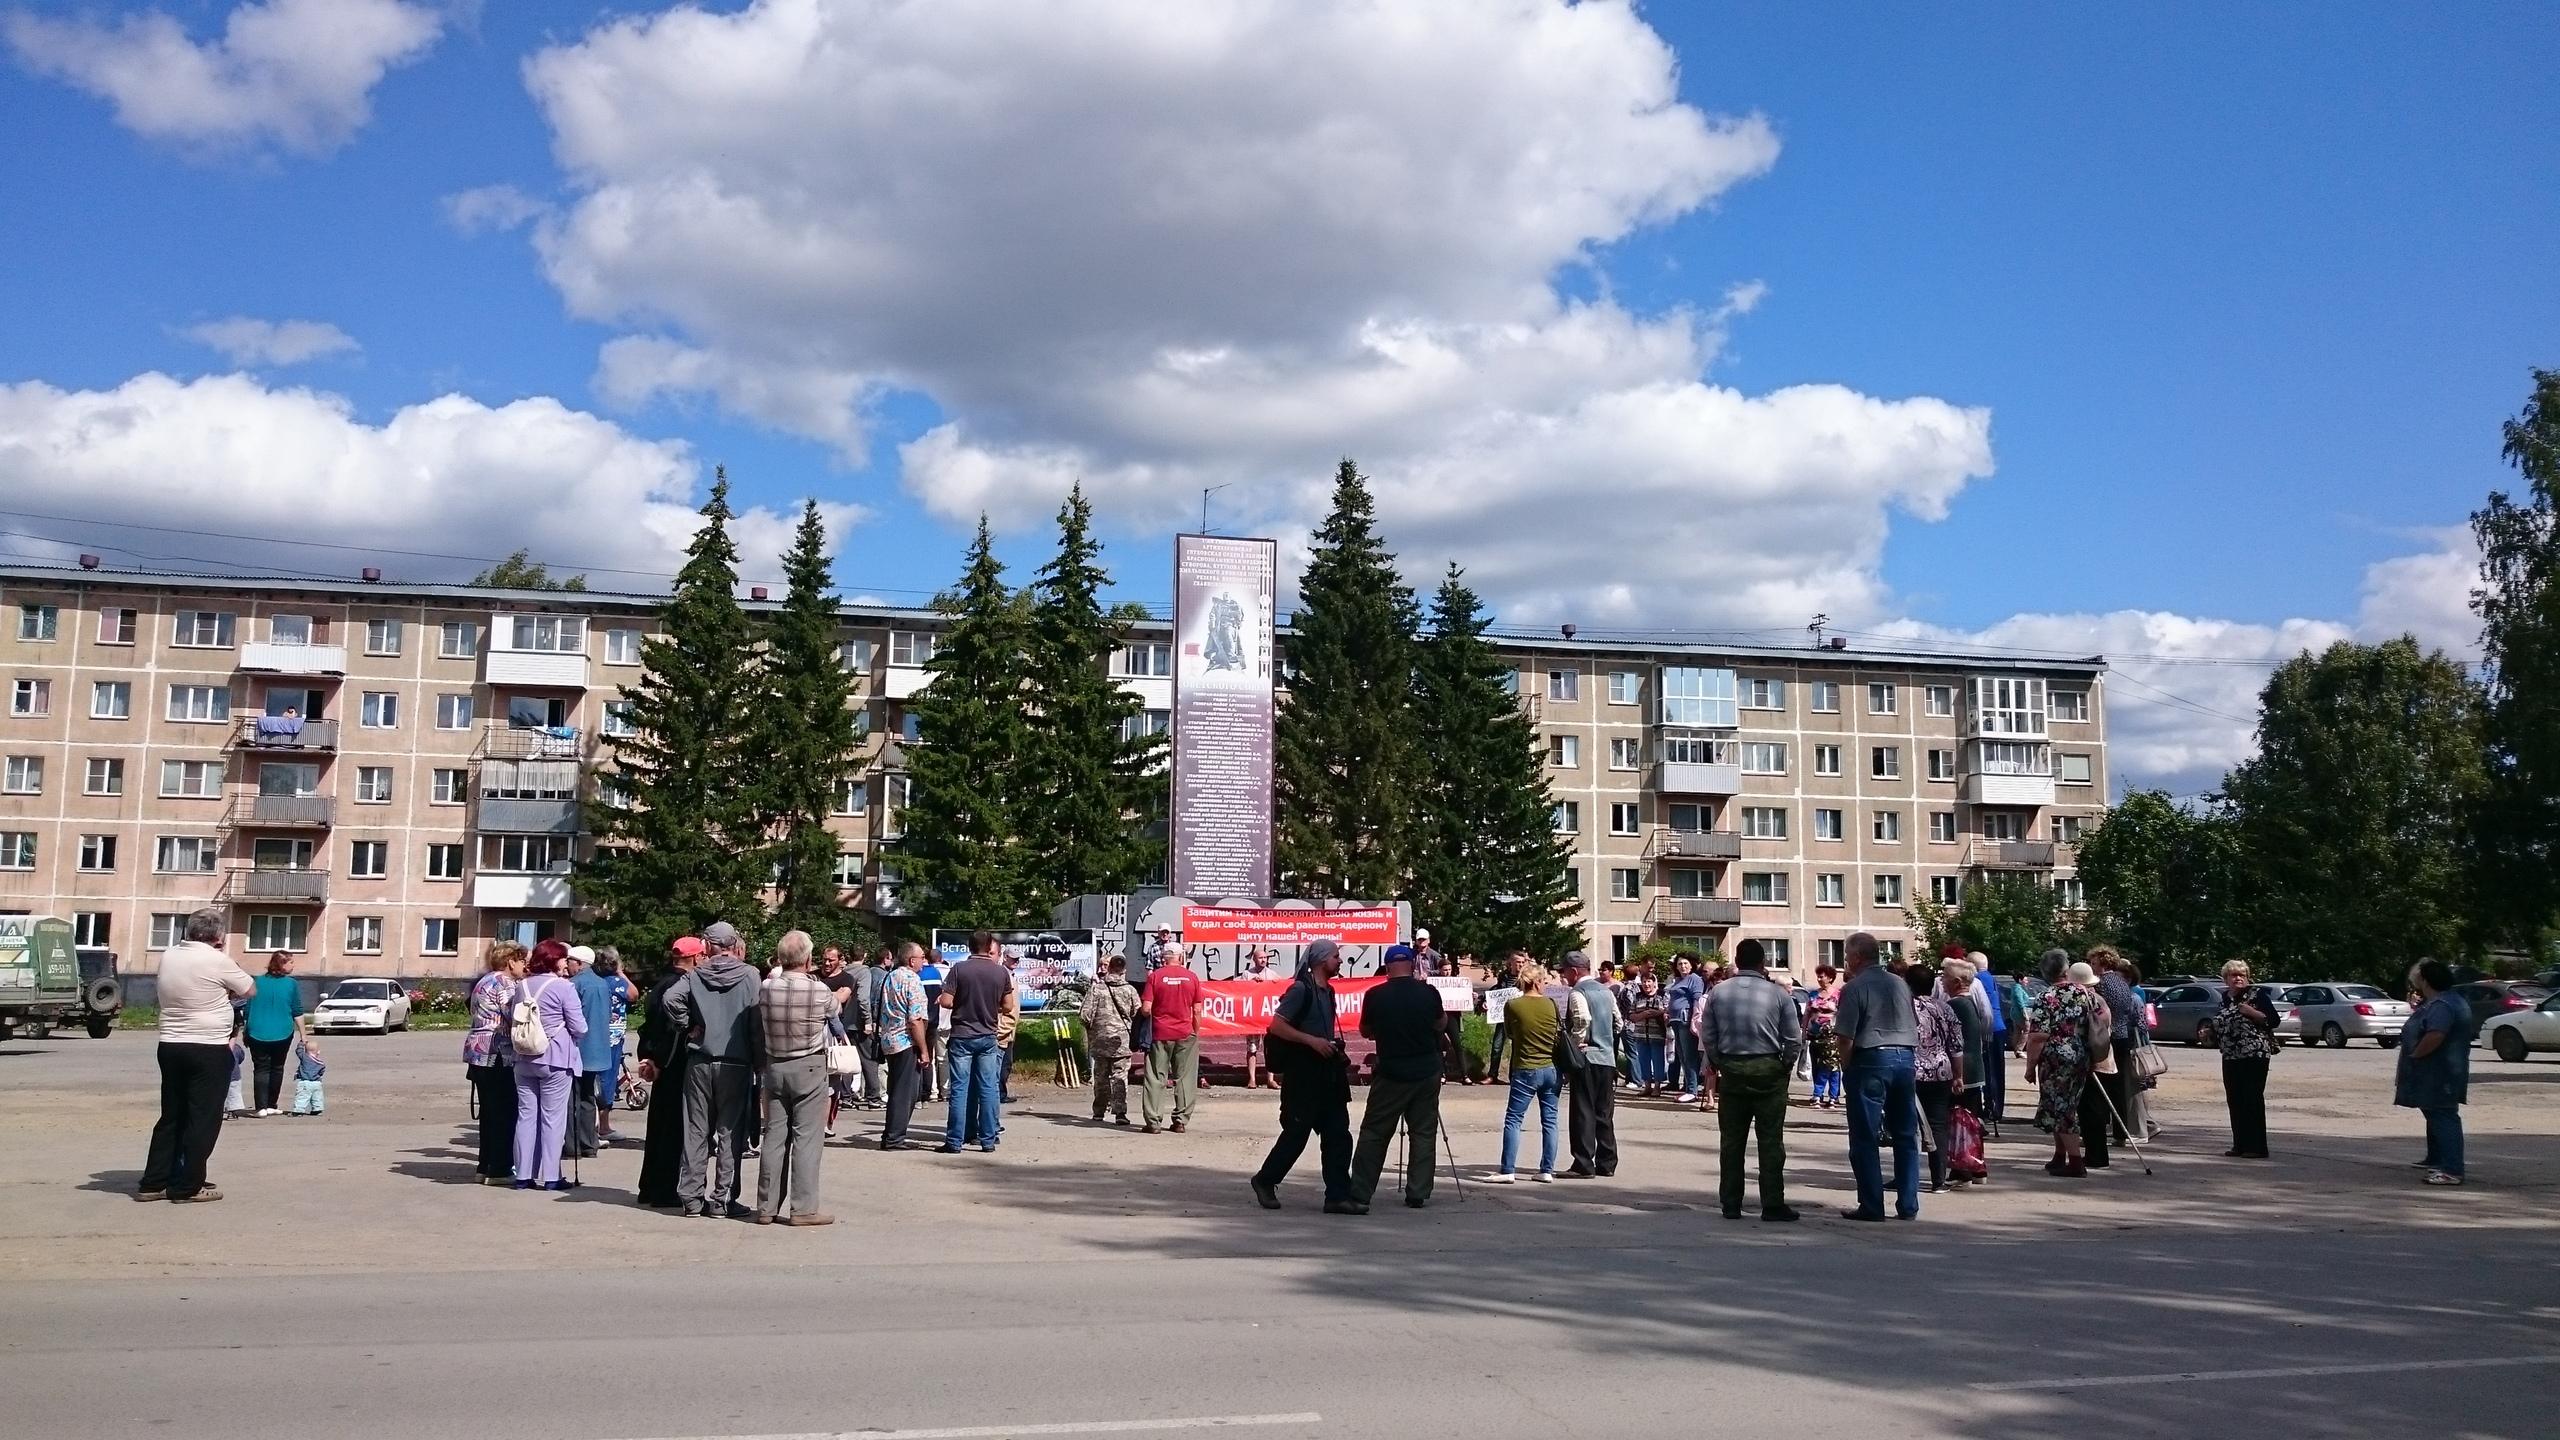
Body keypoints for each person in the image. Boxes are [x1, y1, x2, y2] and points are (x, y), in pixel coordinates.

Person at [139, 908, 255, 1204]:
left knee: (172, 1114)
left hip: (171, 1044)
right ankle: (188, 1185)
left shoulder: (170, 955)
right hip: (207, 1047)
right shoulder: (217, 960)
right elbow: (249, 989)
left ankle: (154, 1181)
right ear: (218, 935)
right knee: (203, 1118)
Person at [1251, 935, 1358, 1213]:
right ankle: (1265, 1180)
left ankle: (1337, 1196)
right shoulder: (1301, 990)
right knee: (1296, 1134)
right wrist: (1312, 1042)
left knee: (1338, 1135)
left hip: (1329, 1074)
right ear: (1323, 961)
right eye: (1336, 956)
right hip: (1304, 1074)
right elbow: (1277, 1026)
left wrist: (1331, 1045)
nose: (1339, 961)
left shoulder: (1329, 991)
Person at [662, 921, 762, 1217]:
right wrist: (760, 1061)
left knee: (695, 1129)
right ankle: (723, 1200)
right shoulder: (750, 975)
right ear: (734, 945)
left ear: (707, 946)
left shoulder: (696, 974)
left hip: (700, 1060)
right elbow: (756, 1023)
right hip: (736, 1060)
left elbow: (671, 999)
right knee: (730, 1131)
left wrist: (688, 1026)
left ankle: (691, 1198)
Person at [1699, 938, 1801, 1221]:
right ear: (1762, 962)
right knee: (1770, 1140)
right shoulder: (1778, 994)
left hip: (1732, 1069)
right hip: (1769, 1068)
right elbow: (1793, 1038)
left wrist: (1720, 1061)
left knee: (1732, 1141)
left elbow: (1708, 1034)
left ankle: (1731, 1203)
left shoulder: (1719, 992)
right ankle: (1772, 1204)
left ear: (1737, 960)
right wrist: (1785, 1065)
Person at [1349, 944, 1446, 1209]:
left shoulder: (1375, 995)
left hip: (1392, 1071)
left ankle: (1360, 1192)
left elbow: (1365, 1030)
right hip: (1426, 1070)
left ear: (1388, 966)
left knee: (1375, 1132)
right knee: (1424, 1133)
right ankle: (1418, 1191)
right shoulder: (1428, 992)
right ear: (1413, 964)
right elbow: (1441, 1024)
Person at [1832, 932, 1920, 1221]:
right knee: (1906, 1135)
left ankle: (1872, 1205)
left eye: (1846, 955)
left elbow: (1845, 1035)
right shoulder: (1900, 984)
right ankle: (1908, 1204)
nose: (1846, 960)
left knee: (1865, 1135)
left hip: (1871, 1058)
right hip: (1905, 1057)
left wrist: (1846, 1069)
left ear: (1857, 957)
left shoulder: (1855, 988)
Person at [753, 930, 835, 1225]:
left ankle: (766, 1207)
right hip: (809, 1066)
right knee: (807, 1139)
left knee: (774, 1137)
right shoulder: (819, 990)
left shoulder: (766, 988)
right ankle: (803, 1209)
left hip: (775, 1067)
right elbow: (834, 1009)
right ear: (809, 959)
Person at [509, 940, 588, 1192]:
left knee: (526, 1116)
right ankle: (551, 1176)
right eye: (564, 958)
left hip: (524, 1057)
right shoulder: (564, 987)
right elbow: (579, 1027)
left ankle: (523, 1174)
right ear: (555, 960)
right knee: (553, 1118)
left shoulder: (522, 986)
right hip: (555, 1056)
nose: (566, 962)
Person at [2021, 950, 2107, 1179]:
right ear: (2066, 969)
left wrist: (2030, 1067)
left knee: (2061, 1108)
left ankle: (2076, 1161)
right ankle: (2060, 1155)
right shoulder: (2084, 992)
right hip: (2081, 1055)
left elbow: (2038, 1036)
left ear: (2045, 972)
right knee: (2061, 1105)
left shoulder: (2046, 997)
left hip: (2056, 1058)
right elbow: (2102, 1018)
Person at [634, 937, 703, 1207]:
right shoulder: (680, 986)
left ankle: (649, 1186)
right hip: (672, 1065)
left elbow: (646, 1027)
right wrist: (661, 1063)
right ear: (696, 958)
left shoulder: (661, 982)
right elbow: (673, 1032)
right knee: (672, 1129)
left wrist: (647, 1057)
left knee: (657, 1127)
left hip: (657, 1059)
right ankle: (663, 1189)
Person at [2397, 959, 2474, 1186]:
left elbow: (2436, 1034)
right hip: (2441, 1070)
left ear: (2426, 981)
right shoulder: (2448, 1001)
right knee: (2436, 1114)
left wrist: (2416, 1054)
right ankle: (2439, 1160)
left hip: (2439, 1072)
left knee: (2443, 1115)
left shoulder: (2442, 1005)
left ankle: (2451, 1169)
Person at [939, 931, 1013, 1154]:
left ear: (969, 947)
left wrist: (964, 1002)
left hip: (962, 1034)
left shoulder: (959, 969)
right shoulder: (1000, 972)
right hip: (988, 1035)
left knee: (960, 1089)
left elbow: (946, 1001)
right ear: (988, 946)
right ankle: (988, 1140)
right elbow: (1008, 1006)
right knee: (989, 1088)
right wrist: (991, 1006)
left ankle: (954, 1142)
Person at [464, 942, 527, 1186]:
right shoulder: (505, 983)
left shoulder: (484, 981)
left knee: (489, 1112)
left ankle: (485, 1165)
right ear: (511, 961)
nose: (524, 966)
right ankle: (500, 1168)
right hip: (498, 1052)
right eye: (522, 961)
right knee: (505, 1110)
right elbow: (515, 1015)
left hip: (478, 1051)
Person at [2211, 959, 2280, 1159]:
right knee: (2235, 1099)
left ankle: (2257, 1147)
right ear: (2226, 979)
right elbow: (2223, 1022)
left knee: (2252, 1099)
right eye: (2234, 975)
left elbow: (2273, 1021)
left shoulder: (2257, 995)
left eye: (2242, 975)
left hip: (2255, 1054)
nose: (2238, 978)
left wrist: (2253, 1013)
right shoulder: (2225, 998)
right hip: (2231, 1055)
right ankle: (2239, 1144)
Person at [1558, 952, 1619, 1179]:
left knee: (1583, 1111)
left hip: (1588, 1058)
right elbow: (1618, 1020)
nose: (1563, 976)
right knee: (1604, 1112)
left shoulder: (1578, 992)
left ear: (1574, 971)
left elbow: (1582, 1019)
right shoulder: (1606, 991)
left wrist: (1576, 1043)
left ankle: (1583, 1163)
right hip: (1607, 1058)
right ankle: (1607, 1162)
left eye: (1564, 971)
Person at [1908, 964, 1967, 1194]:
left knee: (1907, 1125)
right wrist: (1958, 1075)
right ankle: (1939, 1180)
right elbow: (1957, 1046)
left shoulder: (1905, 1007)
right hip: (1941, 1071)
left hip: (1912, 1071)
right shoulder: (1945, 1008)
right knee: (1938, 1125)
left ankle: (1907, 1177)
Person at [1139, 941, 1204, 1134]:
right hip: (1185, 1032)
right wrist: (1195, 1031)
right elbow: (1198, 1009)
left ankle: (1153, 1122)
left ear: (1162, 958)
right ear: (1181, 957)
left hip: (1159, 1033)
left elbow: (1146, 1008)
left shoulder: (1155, 977)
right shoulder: (1192, 977)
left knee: (1155, 1077)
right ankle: (1180, 1121)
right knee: (1185, 1078)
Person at [1939, 958, 1991, 1187]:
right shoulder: (1969, 1002)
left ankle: (1963, 1170)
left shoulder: (1956, 1004)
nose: (1942, 981)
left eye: (1945, 977)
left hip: (1963, 1070)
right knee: (1971, 1119)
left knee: (1959, 1120)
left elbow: (1952, 1042)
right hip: (1974, 1067)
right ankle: (1977, 1169)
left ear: (1957, 981)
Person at [876, 942, 932, 1150]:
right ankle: (894, 1137)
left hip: (890, 1040)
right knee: (905, 1092)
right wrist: (924, 1049)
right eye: (921, 957)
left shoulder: (890, 977)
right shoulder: (912, 980)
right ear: (912, 960)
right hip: (906, 1041)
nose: (924, 962)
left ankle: (891, 1134)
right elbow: (915, 1019)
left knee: (896, 1088)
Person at [2087, 945, 2140, 1158]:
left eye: (2093, 963)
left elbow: (2096, 1011)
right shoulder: (2122, 982)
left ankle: (2097, 1130)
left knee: (2101, 1087)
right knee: (2119, 1087)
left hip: (2107, 1038)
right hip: (2123, 1036)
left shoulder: (2101, 984)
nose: (2091, 967)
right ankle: (2121, 1132)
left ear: (2102, 963)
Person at [243, 952, 312, 1117]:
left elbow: (247, 1009)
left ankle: (261, 1108)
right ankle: (271, 1105)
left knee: (260, 1069)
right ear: (281, 964)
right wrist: (303, 1034)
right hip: (282, 1031)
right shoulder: (291, 984)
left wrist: (246, 1030)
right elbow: (297, 1010)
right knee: (277, 1067)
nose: (293, 966)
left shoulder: (257, 981)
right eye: (290, 963)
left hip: (257, 1030)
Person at [1079, 955, 1140, 1124]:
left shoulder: (1097, 989)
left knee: (1101, 1077)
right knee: (1120, 1077)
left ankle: (1099, 1112)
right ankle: (1120, 1113)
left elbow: (1084, 1015)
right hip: (1121, 1041)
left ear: (1109, 968)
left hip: (1100, 1041)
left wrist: (1094, 1029)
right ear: (1124, 970)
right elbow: (1138, 1014)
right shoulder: (1130, 990)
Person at [568, 945, 613, 1159]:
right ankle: (589, 1144)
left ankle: (571, 1145)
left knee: (571, 1099)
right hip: (599, 1050)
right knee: (588, 1098)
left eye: (569, 961)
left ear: (579, 963)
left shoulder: (573, 984)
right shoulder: (602, 983)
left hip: (578, 1049)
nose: (567, 965)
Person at [595, 949, 636, 1141]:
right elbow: (633, 994)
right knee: (608, 1079)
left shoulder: (596, 982)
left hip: (597, 1035)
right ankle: (603, 1125)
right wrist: (621, 973)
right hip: (614, 1036)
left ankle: (595, 1124)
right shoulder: (617, 982)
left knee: (596, 1079)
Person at [1965, 950, 2008, 1125]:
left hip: (1989, 1029)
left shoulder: (1979, 980)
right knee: (1996, 1070)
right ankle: (1996, 1107)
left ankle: (1992, 1107)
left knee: (1990, 1071)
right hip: (1998, 1026)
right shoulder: (1989, 977)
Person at [1666, 955, 1706, 1101]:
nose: (1682, 966)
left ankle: (1692, 1090)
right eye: (1680, 964)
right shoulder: (1677, 980)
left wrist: (1694, 1021)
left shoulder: (1694, 979)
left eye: (1685, 963)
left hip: (1685, 1020)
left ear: (1691, 965)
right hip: (1675, 1020)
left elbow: (1697, 1000)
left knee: (1689, 1056)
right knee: (1681, 1055)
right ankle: (1688, 1087)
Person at [1804, 965, 1845, 1109]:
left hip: (1832, 1035)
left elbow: (1842, 1014)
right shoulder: (1813, 994)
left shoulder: (1838, 995)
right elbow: (1807, 1014)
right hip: (1815, 1034)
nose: (1819, 979)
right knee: (1816, 1064)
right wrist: (1804, 1031)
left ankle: (1834, 1096)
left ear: (1830, 978)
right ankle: (1818, 1095)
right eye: (1818, 976)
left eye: (1822, 976)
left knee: (1833, 1066)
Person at [1626, 973, 1670, 1095]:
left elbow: (1667, 1010)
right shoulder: (1638, 996)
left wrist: (1656, 1013)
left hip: (1657, 1034)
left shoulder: (1662, 995)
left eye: (1649, 981)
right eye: (1644, 982)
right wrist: (1643, 1015)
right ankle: (1647, 1086)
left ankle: (1657, 1086)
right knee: (1643, 1060)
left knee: (1658, 1060)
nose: (1646, 984)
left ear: (1654, 982)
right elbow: (1631, 1015)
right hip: (1640, 1034)